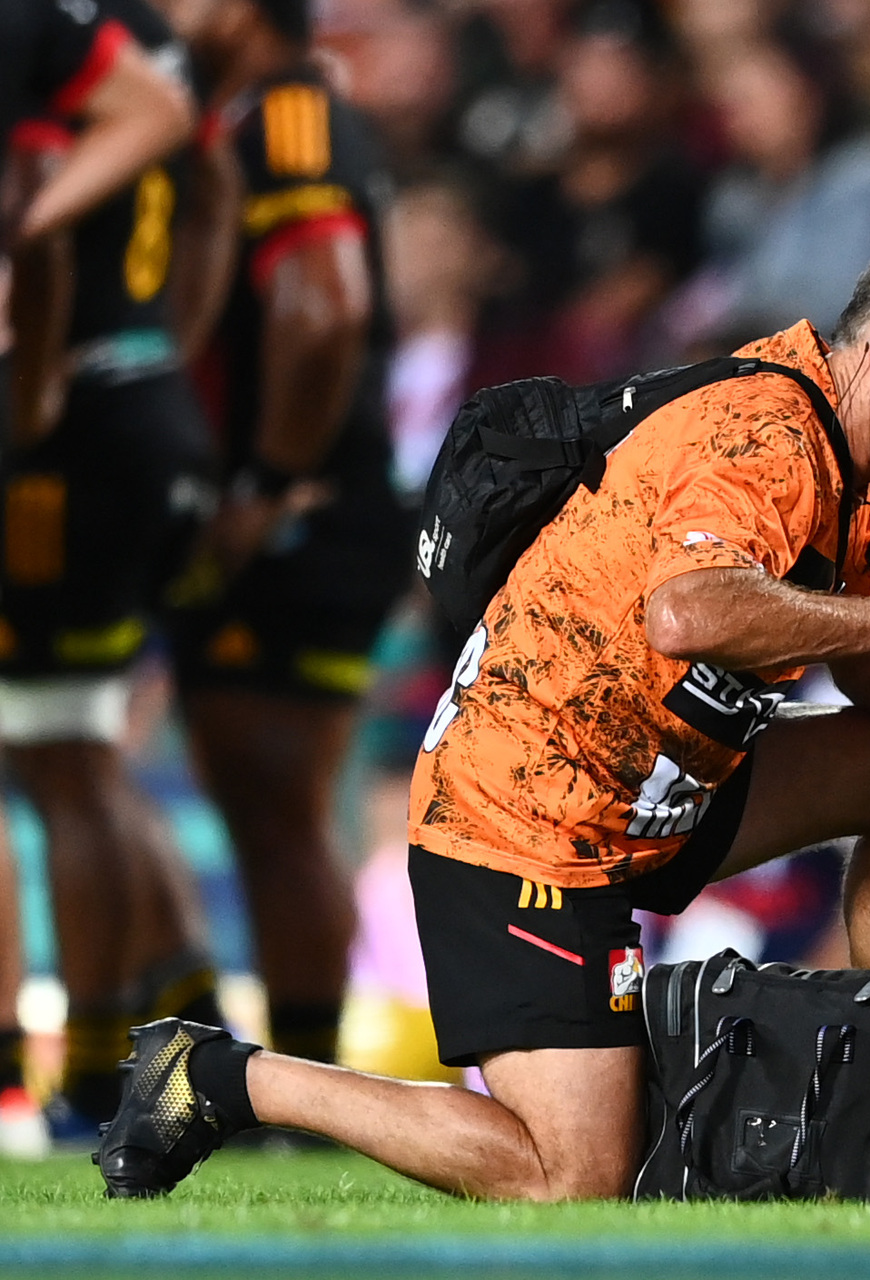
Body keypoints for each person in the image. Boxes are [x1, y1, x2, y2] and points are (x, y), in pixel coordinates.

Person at [95, 238, 870, 1201]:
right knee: (573, 1177)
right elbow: (690, 612)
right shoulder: (760, 429)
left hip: (662, 788)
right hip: (523, 821)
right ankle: (221, 1075)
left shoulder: (854, 465)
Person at [158, 0, 414, 1073]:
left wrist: (265, 478)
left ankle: (307, 1077)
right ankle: (267, 1058)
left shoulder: (289, 122)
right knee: (256, 794)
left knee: (279, 797)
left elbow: (324, 308)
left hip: (303, 512)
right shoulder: (250, 119)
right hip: (282, 507)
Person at [2, 0, 227, 1143]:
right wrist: (170, 356)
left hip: (78, 425)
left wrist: (34, 396)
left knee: (57, 758)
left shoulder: (37, 41)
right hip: (146, 399)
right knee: (81, 755)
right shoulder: (140, 40)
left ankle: (90, 1080)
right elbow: (212, 192)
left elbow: (29, 235)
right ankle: (196, 1018)